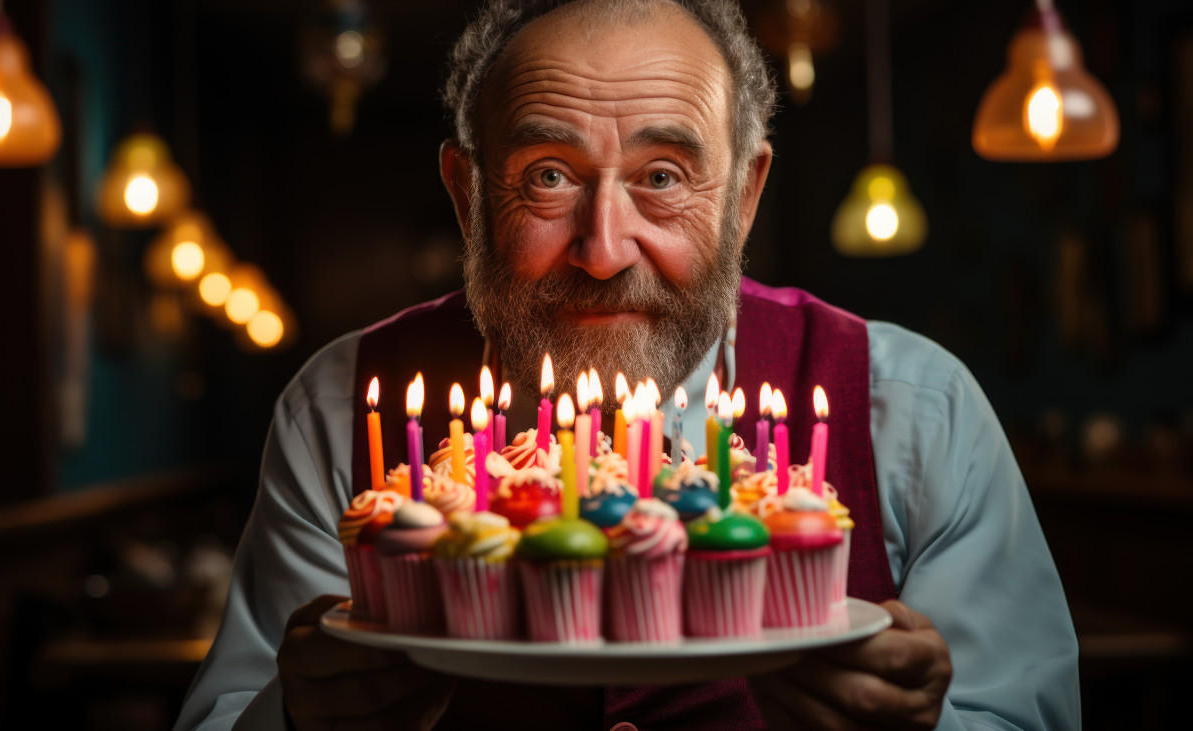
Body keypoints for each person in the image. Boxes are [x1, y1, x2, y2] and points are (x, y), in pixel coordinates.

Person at [176, 1, 1080, 729]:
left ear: (746, 194)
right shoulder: (336, 407)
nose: (604, 249)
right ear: (466, 195)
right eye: (548, 176)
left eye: (662, 177)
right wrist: (294, 715)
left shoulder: (914, 408)